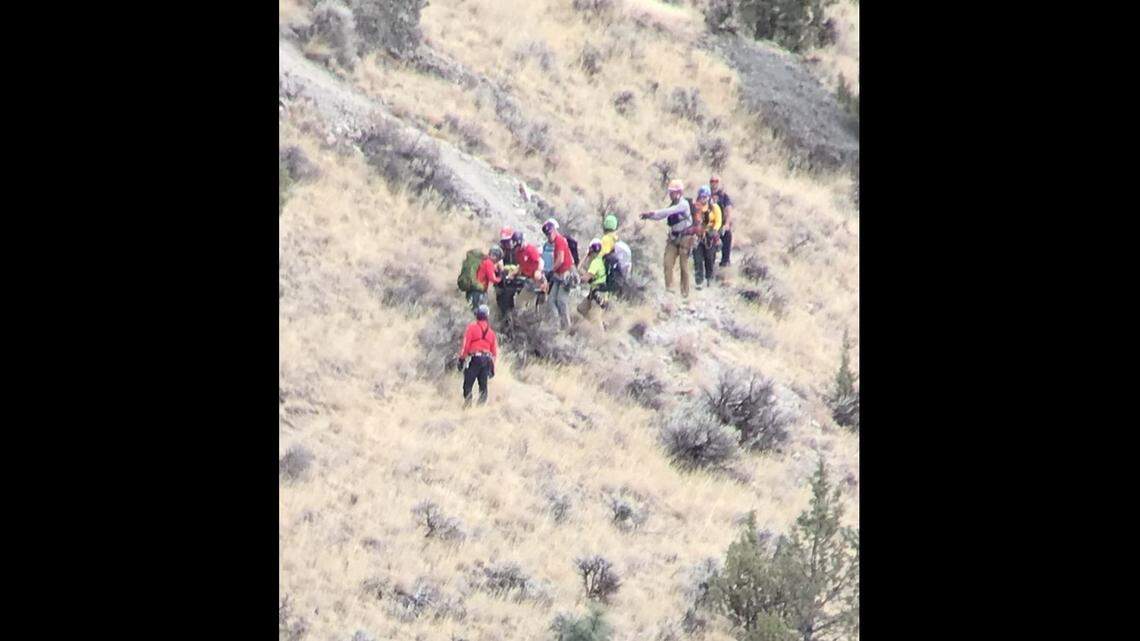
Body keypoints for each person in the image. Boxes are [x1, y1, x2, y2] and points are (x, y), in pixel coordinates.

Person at [639, 179, 694, 298]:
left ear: (679, 192)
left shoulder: (683, 204)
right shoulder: (673, 204)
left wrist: (653, 212)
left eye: (673, 192)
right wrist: (649, 216)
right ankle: (669, 289)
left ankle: (685, 293)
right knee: (667, 263)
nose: (670, 194)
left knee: (684, 266)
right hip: (673, 238)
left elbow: (669, 211)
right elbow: (663, 215)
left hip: (685, 237)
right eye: (670, 192)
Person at [457, 304, 498, 407]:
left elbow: (465, 345)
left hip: (475, 359)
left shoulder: (472, 328)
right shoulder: (491, 333)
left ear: (477, 315)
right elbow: (494, 353)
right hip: (487, 360)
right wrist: (492, 367)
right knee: (483, 387)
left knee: (468, 384)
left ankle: (468, 406)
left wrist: (461, 359)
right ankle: (480, 409)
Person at [542, 219, 575, 329]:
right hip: (558, 275)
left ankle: (567, 327)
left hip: (566, 274)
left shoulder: (560, 240)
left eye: (550, 233)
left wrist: (551, 270)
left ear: (554, 230)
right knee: (551, 301)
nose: (549, 236)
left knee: (561, 301)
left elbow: (560, 259)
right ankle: (556, 326)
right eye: (547, 234)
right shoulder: (554, 243)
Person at [691, 185, 722, 288]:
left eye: (705, 196)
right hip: (698, 235)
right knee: (697, 258)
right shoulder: (695, 207)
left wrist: (714, 231)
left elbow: (718, 221)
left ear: (709, 197)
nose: (703, 198)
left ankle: (709, 278)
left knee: (709, 258)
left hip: (710, 235)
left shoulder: (714, 207)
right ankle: (699, 281)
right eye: (702, 196)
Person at [577, 238, 608, 319]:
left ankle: (597, 330)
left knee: (596, 317)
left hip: (598, 292)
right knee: (581, 309)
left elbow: (585, 278)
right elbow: (580, 270)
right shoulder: (599, 259)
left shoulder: (595, 262)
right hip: (595, 291)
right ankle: (591, 326)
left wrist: (578, 280)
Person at [709, 175, 735, 266]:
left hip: (721, 225)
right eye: (712, 181)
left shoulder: (724, 196)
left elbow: (729, 210)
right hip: (710, 225)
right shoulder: (706, 195)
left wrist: (727, 224)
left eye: (716, 181)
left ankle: (725, 261)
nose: (714, 183)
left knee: (727, 234)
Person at [468, 245, 504, 310]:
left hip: (473, 288)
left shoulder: (484, 259)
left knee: (475, 309)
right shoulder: (489, 263)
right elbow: (492, 279)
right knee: (481, 310)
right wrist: (500, 278)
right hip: (480, 290)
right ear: (495, 256)